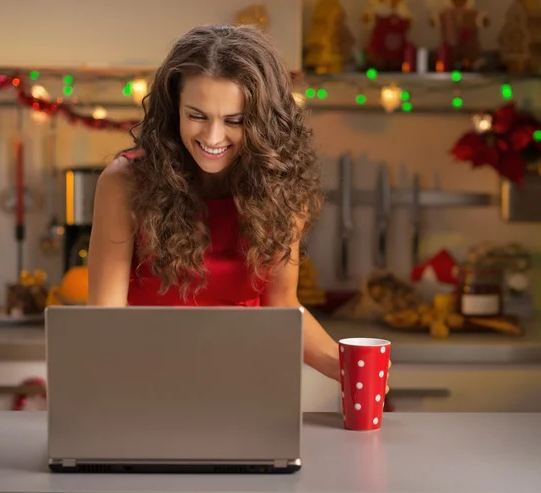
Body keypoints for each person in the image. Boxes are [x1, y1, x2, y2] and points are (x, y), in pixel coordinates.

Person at [87, 24, 390, 388]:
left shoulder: (282, 190)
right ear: (174, 111)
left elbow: (282, 307)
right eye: (197, 116)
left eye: (235, 121)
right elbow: (104, 318)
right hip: (147, 379)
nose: (213, 138)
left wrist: (351, 370)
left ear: (263, 123)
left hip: (245, 382)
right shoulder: (124, 182)